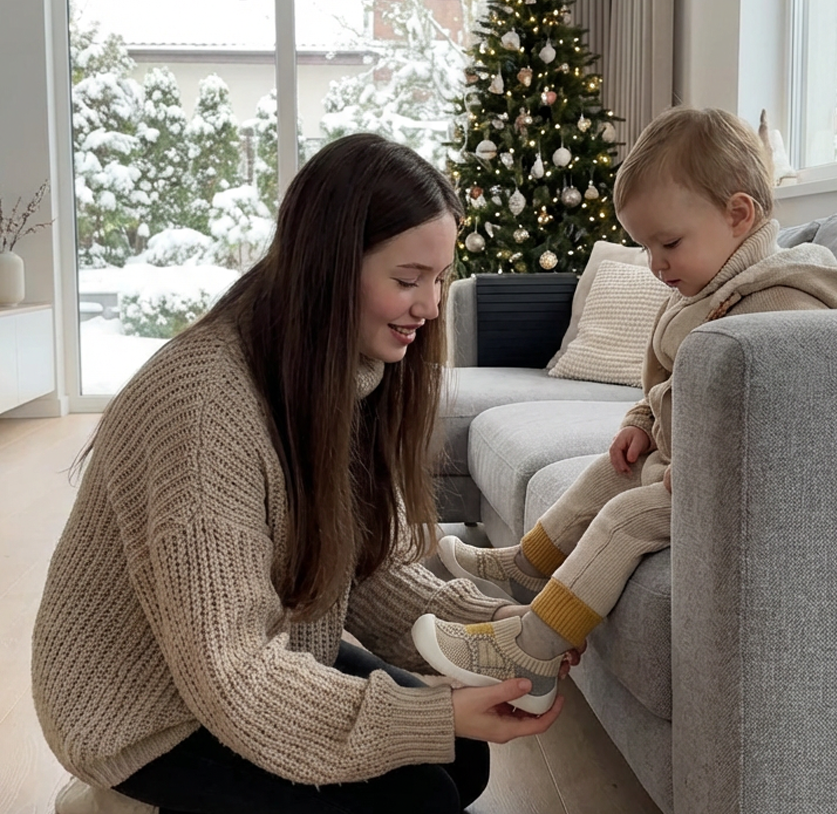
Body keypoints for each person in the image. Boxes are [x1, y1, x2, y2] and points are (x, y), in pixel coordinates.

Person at [32, 133, 567, 814]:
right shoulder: (203, 409)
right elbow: (233, 679)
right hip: (146, 713)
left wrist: (499, 628)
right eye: (408, 280)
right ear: (329, 269)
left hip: (257, 654)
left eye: (438, 279)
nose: (431, 306)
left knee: (462, 762)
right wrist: (430, 715)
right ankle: (121, 801)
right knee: (423, 795)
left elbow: (357, 568)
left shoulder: (343, 371)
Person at [411, 106, 837, 714]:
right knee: (609, 472)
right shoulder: (703, 287)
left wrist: (703, 467)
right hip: (690, 466)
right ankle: (528, 564)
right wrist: (640, 424)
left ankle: (532, 654)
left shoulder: (785, 304)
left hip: (759, 492)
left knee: (627, 518)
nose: (656, 264)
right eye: (645, 247)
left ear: (739, 214)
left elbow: (797, 425)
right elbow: (664, 384)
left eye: (668, 243)